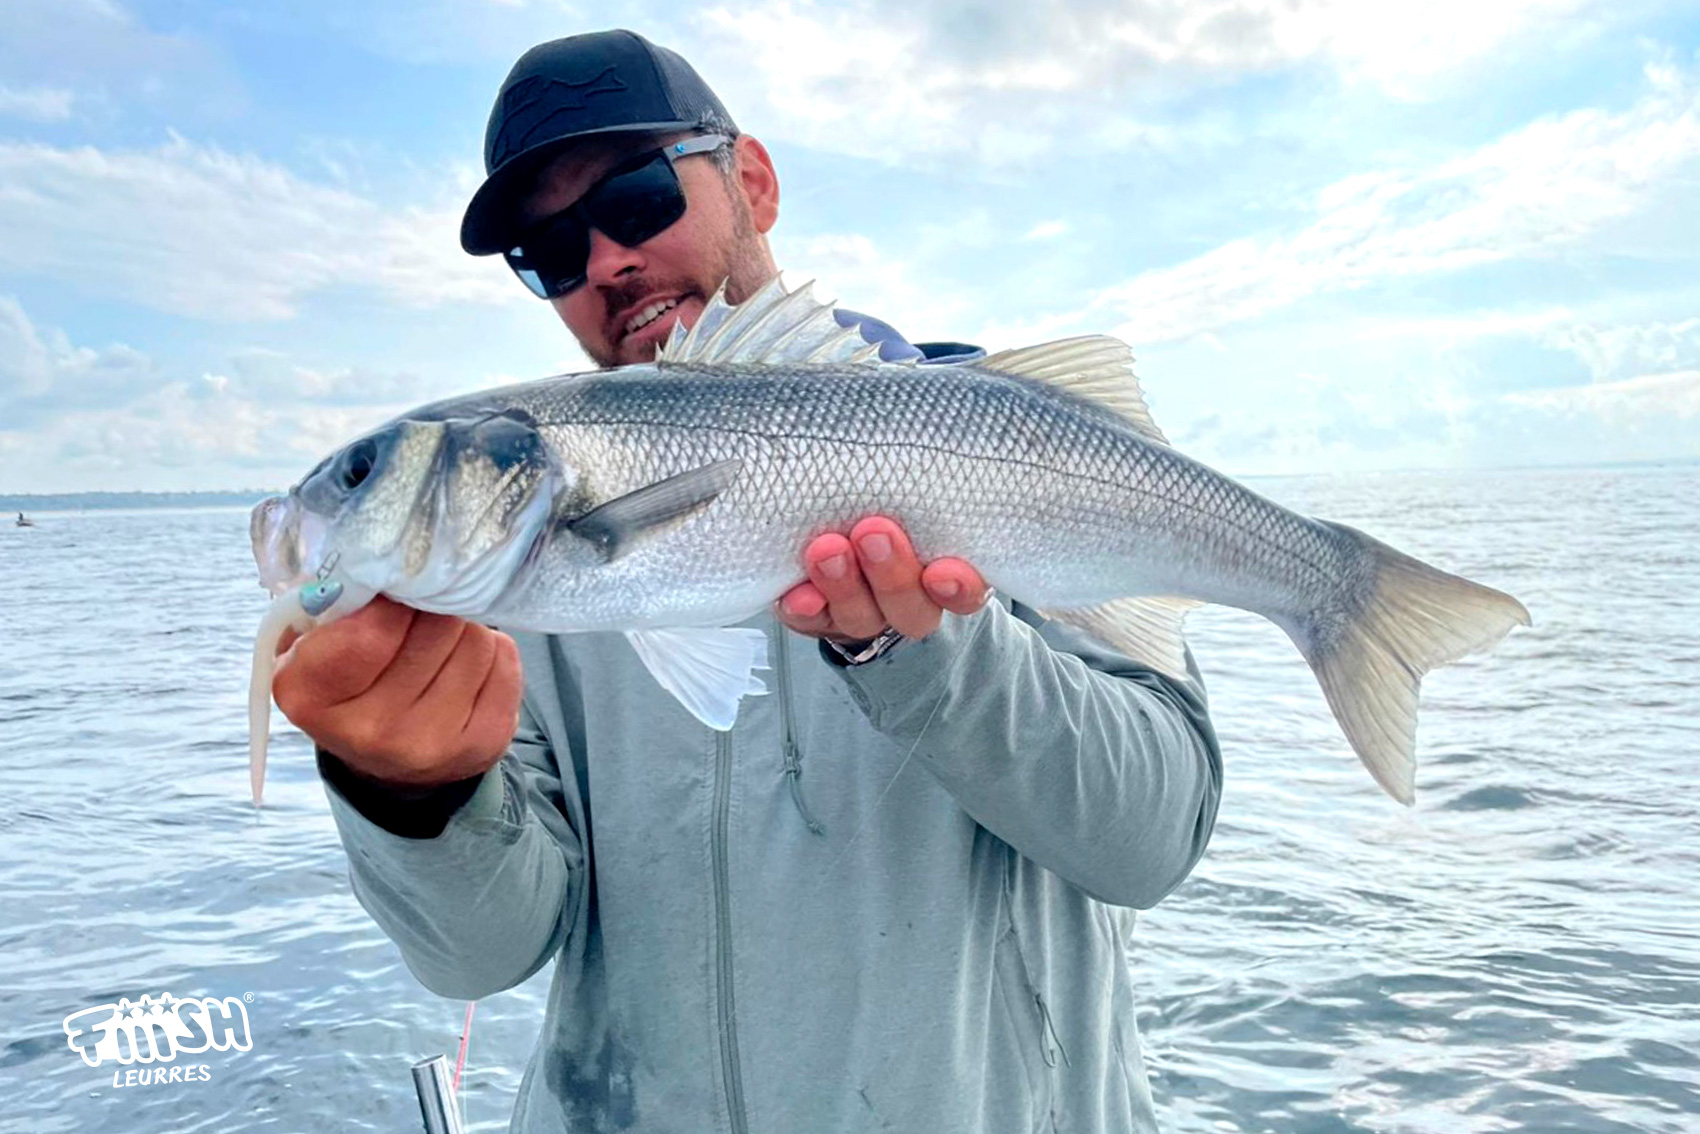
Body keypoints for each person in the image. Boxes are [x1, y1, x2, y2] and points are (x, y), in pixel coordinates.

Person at [273, 29, 1223, 1134]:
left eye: (632, 199)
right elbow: (478, 956)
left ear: (752, 183)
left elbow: (1149, 836)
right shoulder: (515, 577)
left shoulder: (1005, 458)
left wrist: (926, 650)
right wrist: (412, 797)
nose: (605, 263)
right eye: (547, 252)